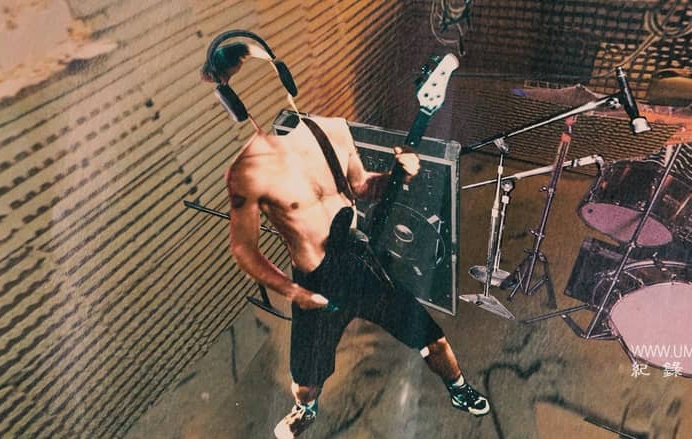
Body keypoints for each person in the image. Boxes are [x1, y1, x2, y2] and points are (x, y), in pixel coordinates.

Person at [201, 37, 490, 438]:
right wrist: (295, 292)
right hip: (314, 285)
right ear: (233, 105)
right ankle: (305, 409)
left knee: (433, 339)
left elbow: (363, 187)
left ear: (285, 78)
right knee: (305, 382)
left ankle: (458, 388)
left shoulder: (332, 129)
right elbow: (243, 248)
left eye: (270, 76)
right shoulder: (247, 170)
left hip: (360, 262)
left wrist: (400, 173)